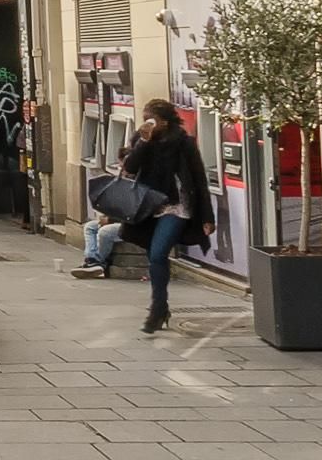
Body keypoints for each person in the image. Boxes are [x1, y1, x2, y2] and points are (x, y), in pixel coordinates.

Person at [120, 99, 216, 333]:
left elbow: (199, 179)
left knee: (158, 253)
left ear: (164, 121)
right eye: (144, 119)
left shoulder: (183, 143)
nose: (147, 123)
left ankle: (157, 308)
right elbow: (130, 167)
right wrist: (143, 141)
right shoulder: (142, 140)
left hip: (176, 206)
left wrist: (207, 216)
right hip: (149, 206)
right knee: (155, 257)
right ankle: (161, 308)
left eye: (151, 119)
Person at [71, 210, 122, 279]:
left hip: (131, 226)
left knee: (105, 231)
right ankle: (91, 259)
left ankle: (97, 262)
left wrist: (110, 220)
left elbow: (133, 215)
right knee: (90, 226)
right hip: (119, 221)